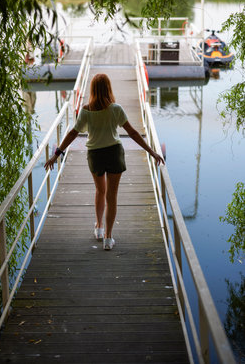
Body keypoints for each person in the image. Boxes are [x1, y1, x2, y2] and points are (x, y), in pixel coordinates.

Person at [44, 74, 164, 250]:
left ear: (92, 90)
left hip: (95, 155)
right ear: (109, 88)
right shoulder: (116, 109)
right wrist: (151, 151)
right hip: (114, 153)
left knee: (100, 191)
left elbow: (72, 133)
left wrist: (56, 154)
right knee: (111, 197)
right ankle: (108, 238)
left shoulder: (86, 111)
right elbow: (133, 133)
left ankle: (99, 228)